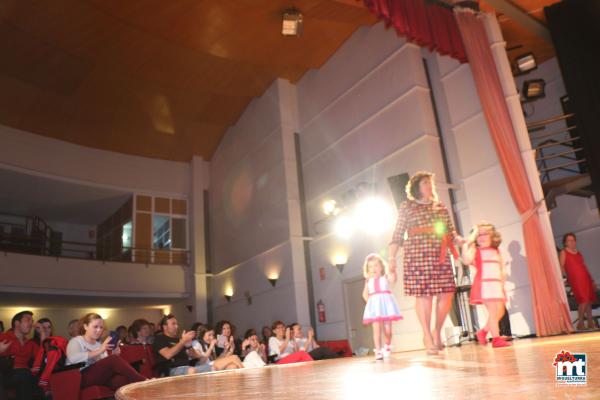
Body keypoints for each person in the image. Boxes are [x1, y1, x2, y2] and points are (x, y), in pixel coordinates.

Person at [389, 171, 463, 355]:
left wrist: (461, 241)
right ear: (416, 187)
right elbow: (398, 233)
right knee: (425, 296)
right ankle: (427, 336)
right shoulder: (407, 207)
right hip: (417, 255)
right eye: (425, 183)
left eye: (430, 183)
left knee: (447, 294)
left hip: (440, 254)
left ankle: (437, 331)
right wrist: (391, 258)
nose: (429, 186)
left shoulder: (440, 207)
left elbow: (451, 232)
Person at [461, 222, 511, 348]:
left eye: (485, 234)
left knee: (499, 312)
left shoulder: (497, 250)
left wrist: (502, 285)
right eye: (479, 234)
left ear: (492, 236)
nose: (481, 237)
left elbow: (502, 269)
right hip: (484, 285)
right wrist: (467, 244)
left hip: (496, 285)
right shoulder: (475, 250)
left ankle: (482, 332)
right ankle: (496, 339)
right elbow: (466, 260)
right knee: (494, 312)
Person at [66, 313, 145, 391]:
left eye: (101, 327)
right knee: (113, 360)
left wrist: (114, 354)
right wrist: (101, 351)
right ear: (85, 326)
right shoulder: (76, 341)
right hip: (80, 377)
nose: (99, 330)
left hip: (98, 376)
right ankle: (143, 381)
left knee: (120, 380)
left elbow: (105, 363)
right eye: (95, 327)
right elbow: (73, 358)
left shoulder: (98, 345)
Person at [362, 254, 403, 360]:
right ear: (367, 269)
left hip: (386, 308)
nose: (373, 268)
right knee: (376, 330)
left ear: (381, 267)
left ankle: (387, 345)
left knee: (388, 331)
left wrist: (392, 271)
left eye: (376, 265)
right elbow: (365, 294)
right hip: (375, 309)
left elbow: (393, 279)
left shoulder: (385, 277)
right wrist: (370, 304)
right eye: (370, 266)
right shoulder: (368, 281)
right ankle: (378, 351)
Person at [559, 232, 598, 330]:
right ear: (565, 243)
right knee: (583, 300)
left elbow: (584, 266)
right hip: (575, 280)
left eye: (573, 240)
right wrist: (564, 278)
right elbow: (562, 266)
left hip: (585, 278)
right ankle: (580, 323)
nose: (572, 242)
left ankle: (590, 322)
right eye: (569, 240)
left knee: (588, 301)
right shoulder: (564, 252)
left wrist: (592, 280)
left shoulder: (578, 252)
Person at [0, 311, 41, 400]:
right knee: (25, 374)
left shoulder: (30, 343)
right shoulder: (4, 337)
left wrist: (42, 333)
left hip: (25, 375)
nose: (31, 324)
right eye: (27, 320)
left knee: (39, 379)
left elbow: (43, 356)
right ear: (17, 323)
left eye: (32, 321)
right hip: (6, 375)